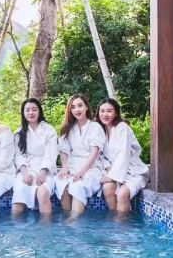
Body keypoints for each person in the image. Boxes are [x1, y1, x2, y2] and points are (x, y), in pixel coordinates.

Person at [55, 93, 106, 221]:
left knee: (78, 185)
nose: (77, 110)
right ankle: (66, 217)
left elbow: (95, 152)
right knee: (61, 183)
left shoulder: (95, 127)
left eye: (80, 106)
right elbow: (64, 150)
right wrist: (64, 167)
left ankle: (74, 221)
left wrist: (82, 171)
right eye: (73, 107)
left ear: (86, 107)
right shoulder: (68, 128)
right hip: (72, 165)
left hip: (91, 167)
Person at [96, 98, 149, 213]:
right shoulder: (101, 130)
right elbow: (100, 154)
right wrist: (108, 168)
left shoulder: (122, 127)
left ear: (116, 113)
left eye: (109, 111)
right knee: (107, 188)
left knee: (122, 194)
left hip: (132, 170)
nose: (105, 114)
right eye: (102, 111)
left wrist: (112, 176)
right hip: (113, 170)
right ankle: (113, 220)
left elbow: (123, 153)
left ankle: (122, 223)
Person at [11, 98, 58, 217]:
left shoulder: (49, 130)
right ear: (23, 113)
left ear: (39, 111)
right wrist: (25, 173)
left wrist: (43, 171)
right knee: (19, 193)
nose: (31, 113)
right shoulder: (18, 132)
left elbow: (51, 153)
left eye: (34, 109)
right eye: (27, 110)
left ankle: (45, 225)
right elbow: (18, 155)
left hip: (46, 170)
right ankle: (16, 226)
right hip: (26, 169)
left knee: (42, 193)